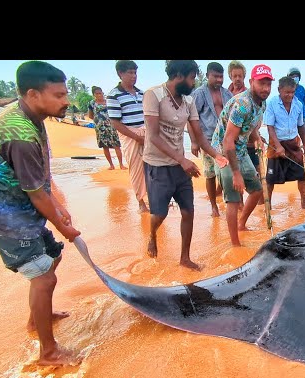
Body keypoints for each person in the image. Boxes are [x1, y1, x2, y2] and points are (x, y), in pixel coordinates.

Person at [0, 60, 82, 367]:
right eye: (58, 95)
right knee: (42, 279)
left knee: (52, 256)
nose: (66, 101)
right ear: (32, 94)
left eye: (65, 94)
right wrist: (62, 223)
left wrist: (56, 207)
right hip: (6, 217)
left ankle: (37, 318)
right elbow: (34, 192)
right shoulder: (20, 133)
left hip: (22, 210)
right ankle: (48, 352)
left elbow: (38, 181)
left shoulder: (32, 116)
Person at [142, 60, 226, 271]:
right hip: (157, 164)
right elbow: (152, 137)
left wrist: (217, 156)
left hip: (180, 166)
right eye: (191, 77)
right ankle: (152, 235)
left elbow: (200, 136)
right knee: (159, 215)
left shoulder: (188, 101)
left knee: (188, 212)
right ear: (179, 75)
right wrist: (182, 160)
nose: (193, 82)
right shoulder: (154, 95)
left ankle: (185, 258)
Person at [211, 64, 273, 247]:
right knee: (234, 197)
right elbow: (228, 141)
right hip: (223, 152)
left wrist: (257, 139)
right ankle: (235, 245)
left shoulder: (263, 102)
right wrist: (236, 174)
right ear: (251, 82)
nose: (266, 89)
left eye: (268, 84)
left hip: (241, 150)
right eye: (262, 84)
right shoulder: (242, 105)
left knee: (256, 190)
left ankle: (241, 224)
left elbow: (251, 125)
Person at [188, 62, 233, 217]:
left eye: (221, 77)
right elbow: (191, 118)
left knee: (228, 172)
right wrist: (194, 141)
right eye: (215, 76)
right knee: (210, 174)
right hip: (206, 140)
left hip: (225, 140)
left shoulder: (227, 94)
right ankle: (214, 206)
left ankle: (233, 202)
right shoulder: (199, 94)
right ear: (207, 76)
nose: (219, 80)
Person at [264, 76, 305, 210]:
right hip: (275, 144)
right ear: (279, 90)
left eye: (292, 92)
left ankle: (304, 203)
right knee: (270, 178)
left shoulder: (298, 104)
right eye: (287, 92)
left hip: (293, 144)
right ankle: (268, 206)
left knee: (301, 175)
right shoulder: (272, 103)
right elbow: (270, 127)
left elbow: (301, 125)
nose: (290, 95)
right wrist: (278, 146)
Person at [107, 60, 149, 213]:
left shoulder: (142, 93)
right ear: (120, 74)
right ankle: (141, 201)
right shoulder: (114, 95)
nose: (133, 76)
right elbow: (116, 123)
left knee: (152, 166)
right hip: (129, 135)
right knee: (136, 168)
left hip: (146, 132)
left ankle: (153, 197)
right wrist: (136, 137)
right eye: (130, 73)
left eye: (135, 73)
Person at [226, 60, 262, 193]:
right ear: (230, 76)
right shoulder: (227, 94)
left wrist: (257, 138)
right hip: (229, 145)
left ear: (245, 78)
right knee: (235, 186)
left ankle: (258, 208)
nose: (237, 79)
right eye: (234, 76)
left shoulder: (253, 97)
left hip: (248, 144)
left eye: (240, 76)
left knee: (256, 179)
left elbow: (253, 124)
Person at [87, 86, 126, 170]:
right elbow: (90, 115)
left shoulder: (108, 101)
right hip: (100, 127)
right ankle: (111, 165)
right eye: (97, 93)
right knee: (105, 146)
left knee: (116, 145)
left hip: (112, 126)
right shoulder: (92, 103)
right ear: (94, 94)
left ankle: (121, 164)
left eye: (100, 93)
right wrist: (99, 120)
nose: (99, 95)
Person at [287, 67, 305, 167]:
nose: (295, 78)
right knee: (293, 137)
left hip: (304, 116)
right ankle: (295, 157)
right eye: (293, 77)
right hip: (293, 116)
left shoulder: (302, 88)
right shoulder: (288, 89)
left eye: (296, 77)